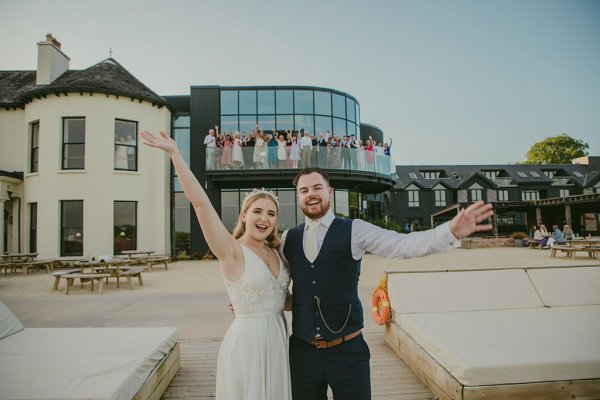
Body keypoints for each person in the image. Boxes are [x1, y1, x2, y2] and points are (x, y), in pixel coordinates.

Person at [280, 168, 494, 400]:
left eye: (317, 188)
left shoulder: (355, 230)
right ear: (298, 196)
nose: (311, 194)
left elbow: (401, 244)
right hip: (302, 354)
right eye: (304, 190)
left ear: (329, 191)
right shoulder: (287, 238)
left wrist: (449, 231)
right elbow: (276, 281)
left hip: (347, 353)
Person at [140, 130, 292, 400]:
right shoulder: (231, 250)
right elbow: (200, 204)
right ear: (244, 215)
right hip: (248, 343)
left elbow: (282, 298)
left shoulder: (277, 252)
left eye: (271, 214)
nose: (264, 218)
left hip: (279, 340)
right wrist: (176, 155)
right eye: (257, 211)